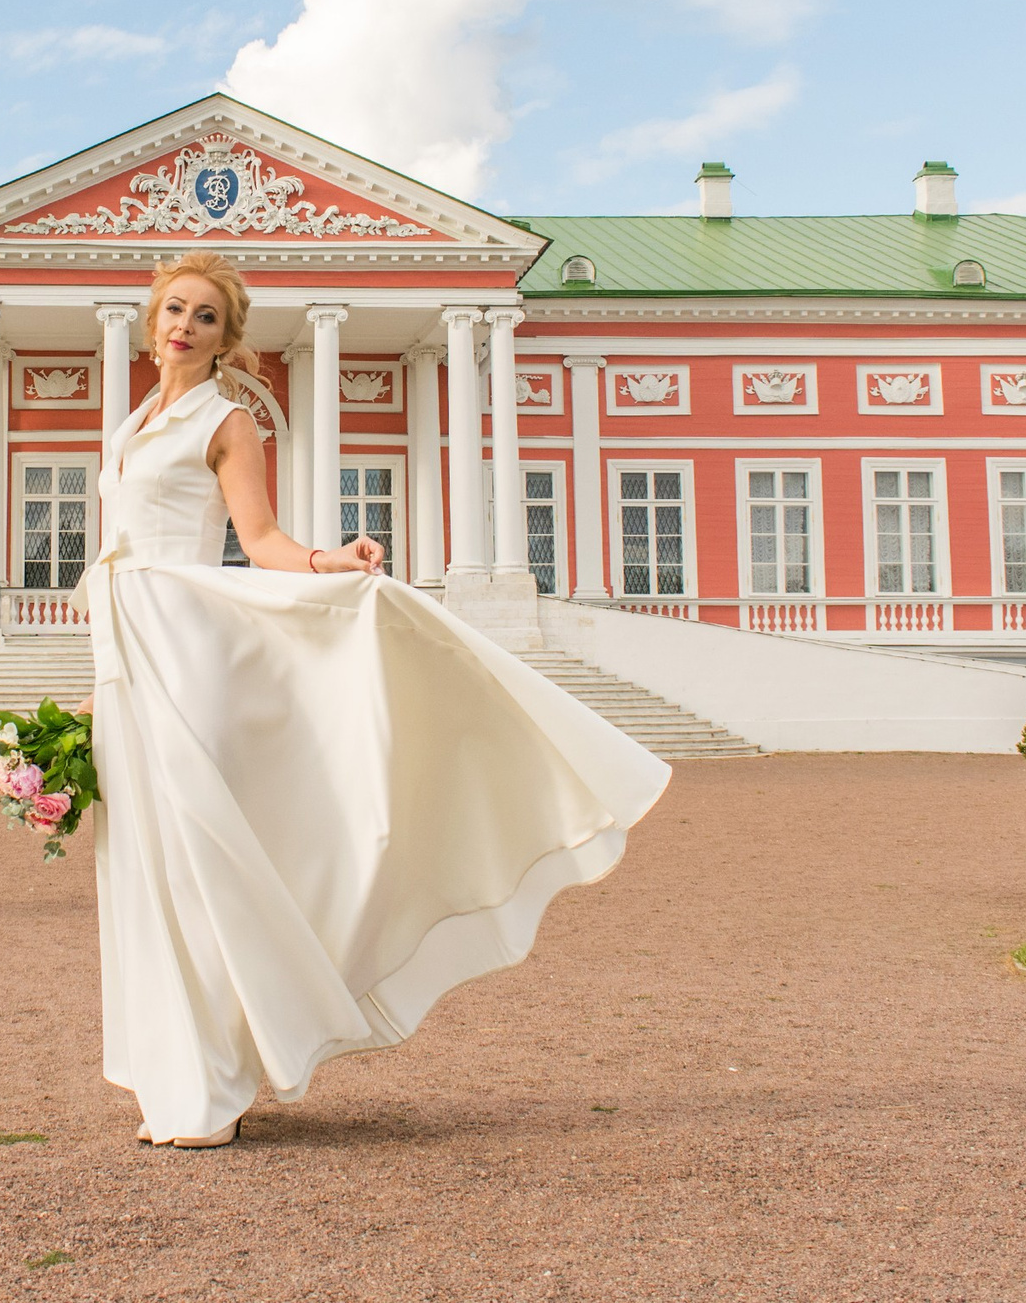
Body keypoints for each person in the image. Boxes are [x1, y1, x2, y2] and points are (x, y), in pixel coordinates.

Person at [83, 249, 672, 1149]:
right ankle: (177, 1068)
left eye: (206, 315)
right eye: (174, 308)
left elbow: (261, 537)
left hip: (188, 644)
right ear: (150, 316)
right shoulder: (130, 426)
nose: (184, 326)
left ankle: (224, 1070)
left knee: (206, 851)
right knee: (145, 861)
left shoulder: (226, 420)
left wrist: (329, 562)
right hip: (124, 644)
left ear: (224, 337)